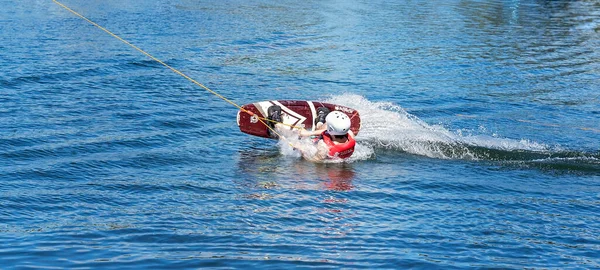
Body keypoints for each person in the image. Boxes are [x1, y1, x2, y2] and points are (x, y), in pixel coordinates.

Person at [267, 106, 356, 161]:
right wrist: (308, 133)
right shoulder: (350, 134)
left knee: (294, 137)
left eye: (327, 123)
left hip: (315, 148)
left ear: (331, 130)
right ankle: (319, 122)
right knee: (321, 129)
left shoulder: (324, 147)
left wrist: (300, 148)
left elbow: (314, 160)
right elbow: (328, 132)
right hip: (327, 143)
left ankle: (276, 125)